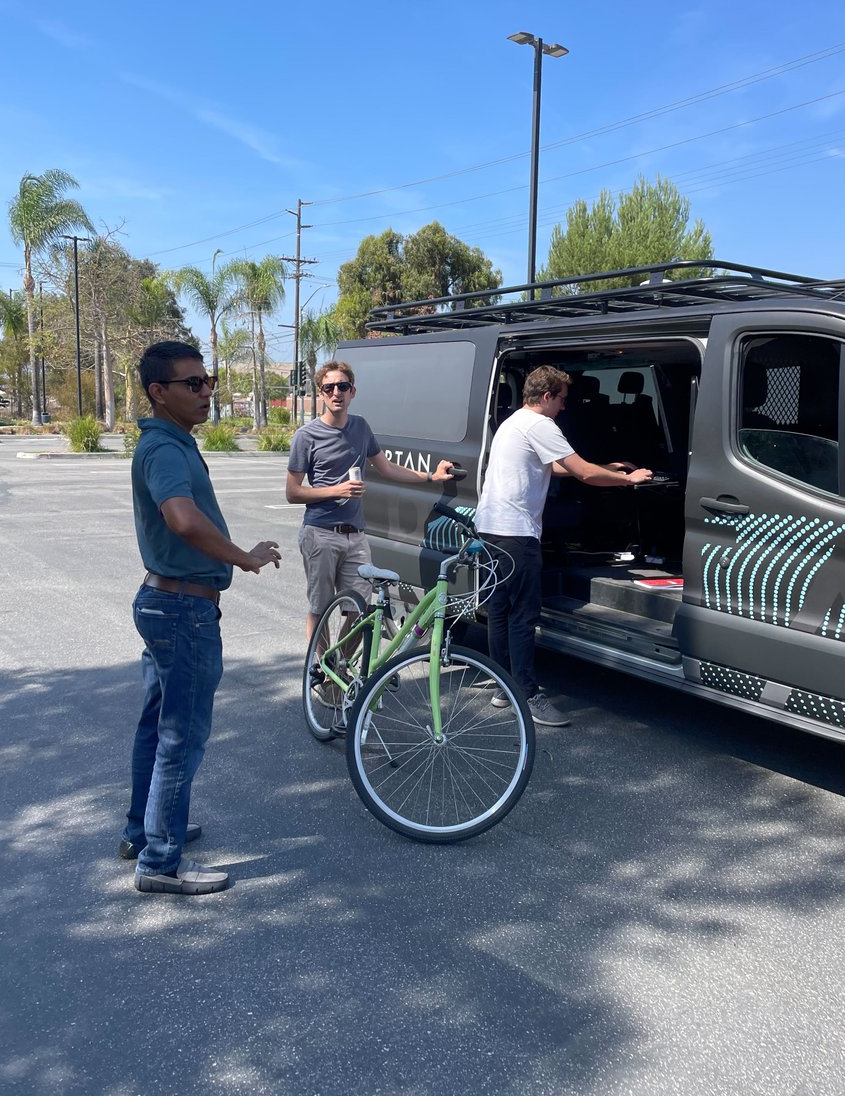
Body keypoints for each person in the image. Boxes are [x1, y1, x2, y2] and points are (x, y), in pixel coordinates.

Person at [122, 341, 282, 896]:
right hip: (183, 608)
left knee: (158, 725)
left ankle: (143, 833)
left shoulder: (170, 441)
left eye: (207, 380)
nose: (206, 391)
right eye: (193, 384)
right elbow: (183, 519)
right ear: (158, 393)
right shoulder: (164, 448)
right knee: (180, 736)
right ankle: (160, 862)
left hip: (167, 601)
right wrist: (244, 557)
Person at [475, 365, 652, 728]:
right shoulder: (541, 424)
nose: (564, 407)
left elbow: (552, 468)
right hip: (516, 535)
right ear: (547, 397)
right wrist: (626, 478)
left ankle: (500, 685)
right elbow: (584, 474)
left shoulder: (514, 422)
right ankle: (526, 693)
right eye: (562, 400)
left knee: (499, 611)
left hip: (490, 529)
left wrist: (606, 466)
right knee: (523, 617)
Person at [286, 360, 456, 646]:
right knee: (320, 608)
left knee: (361, 611)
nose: (336, 392)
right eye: (329, 388)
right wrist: (336, 490)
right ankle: (318, 669)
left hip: (356, 536)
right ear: (321, 393)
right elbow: (292, 492)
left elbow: (387, 468)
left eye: (342, 386)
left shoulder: (361, 427)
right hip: (320, 535)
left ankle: (337, 671)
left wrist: (431, 476)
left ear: (353, 391)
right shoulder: (307, 436)